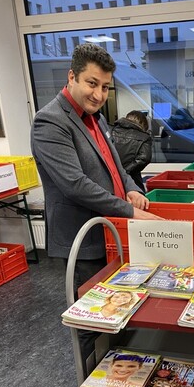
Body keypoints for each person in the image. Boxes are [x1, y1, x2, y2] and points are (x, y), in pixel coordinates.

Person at [31, 43, 163, 358]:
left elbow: (115, 165)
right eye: (92, 83)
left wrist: (130, 187)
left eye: (105, 87)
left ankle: (119, 367)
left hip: (110, 232)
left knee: (119, 307)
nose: (99, 94)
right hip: (84, 238)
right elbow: (75, 184)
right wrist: (129, 211)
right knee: (92, 320)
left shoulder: (97, 119)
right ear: (72, 77)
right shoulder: (50, 122)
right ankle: (90, 379)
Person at [111, 110, 152, 193]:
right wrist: (125, 172)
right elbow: (144, 158)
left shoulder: (110, 131)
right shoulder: (144, 137)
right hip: (132, 179)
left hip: (110, 177)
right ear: (143, 124)